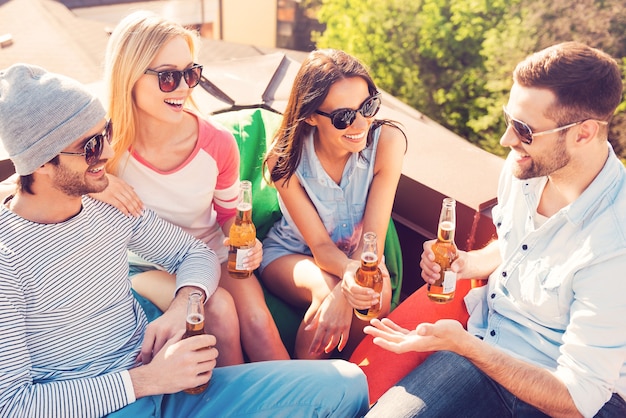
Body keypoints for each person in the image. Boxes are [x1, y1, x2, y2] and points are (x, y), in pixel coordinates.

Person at [0, 63, 369, 418]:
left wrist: (183, 305)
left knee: (347, 384)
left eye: (107, 133)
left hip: (170, 389)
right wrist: (146, 381)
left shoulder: (109, 205)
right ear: (42, 162)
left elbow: (193, 253)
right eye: (92, 146)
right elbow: (13, 406)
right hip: (110, 402)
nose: (109, 153)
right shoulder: (8, 257)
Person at [364, 42, 626, 417]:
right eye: (509, 119)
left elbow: (577, 400)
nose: (507, 140)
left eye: (523, 129)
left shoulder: (616, 242)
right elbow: (517, 244)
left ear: (583, 133)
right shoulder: (525, 168)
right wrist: (467, 263)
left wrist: (467, 347)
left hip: (571, 395)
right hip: (487, 347)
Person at [92, 11, 289, 363]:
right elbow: (21, 189)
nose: (183, 87)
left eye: (191, 73)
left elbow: (228, 215)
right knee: (219, 313)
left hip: (206, 253)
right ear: (129, 77)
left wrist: (243, 241)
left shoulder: (217, 143)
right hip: (144, 265)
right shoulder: (102, 145)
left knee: (259, 322)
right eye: (168, 77)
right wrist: (95, 185)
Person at [259, 49, 407, 360]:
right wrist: (342, 287)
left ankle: (348, 381)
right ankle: (304, 389)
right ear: (311, 116)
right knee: (326, 290)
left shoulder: (388, 143)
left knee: (375, 296)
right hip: (291, 255)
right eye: (343, 117)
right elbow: (321, 249)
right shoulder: (284, 160)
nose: (360, 123)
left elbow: (372, 241)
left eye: (368, 106)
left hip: (360, 255)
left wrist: (348, 288)